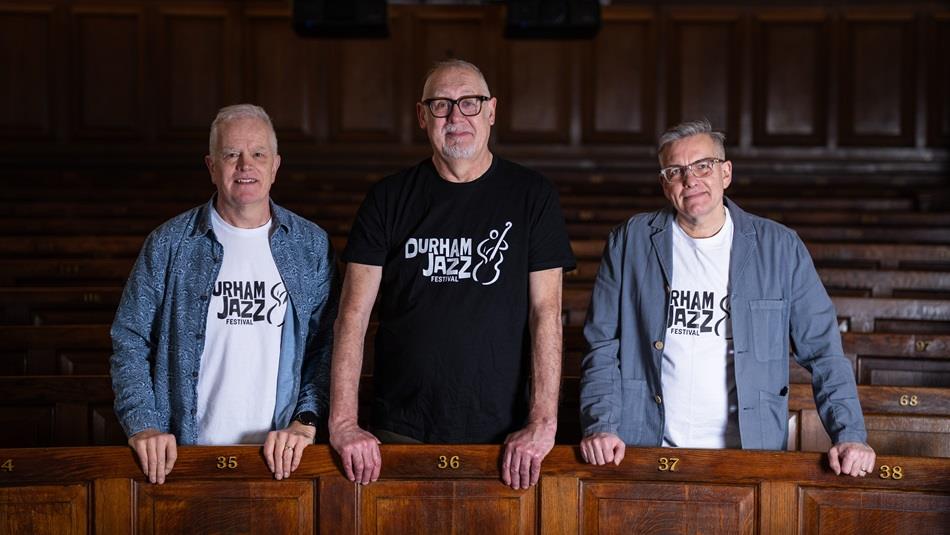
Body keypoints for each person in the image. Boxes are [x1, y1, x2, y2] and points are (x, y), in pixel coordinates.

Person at [328, 59, 576, 490]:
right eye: (441, 105)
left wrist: (542, 421)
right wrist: (344, 422)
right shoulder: (387, 198)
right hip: (399, 430)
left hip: (503, 439)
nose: (456, 116)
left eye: (470, 103)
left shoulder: (532, 196)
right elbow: (353, 314)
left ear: (492, 111)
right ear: (422, 116)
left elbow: (546, 312)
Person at [579, 119, 875, 477]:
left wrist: (849, 434)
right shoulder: (630, 241)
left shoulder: (780, 247)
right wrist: (600, 424)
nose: (691, 180)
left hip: (748, 452)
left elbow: (824, 351)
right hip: (644, 447)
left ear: (726, 173)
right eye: (676, 171)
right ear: (664, 183)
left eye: (703, 166)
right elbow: (603, 344)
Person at [111, 104, 338, 484]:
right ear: (212, 166)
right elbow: (129, 338)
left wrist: (305, 423)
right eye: (231, 154)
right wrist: (143, 426)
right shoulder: (169, 243)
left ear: (275, 165)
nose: (245, 165)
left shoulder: (310, 245)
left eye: (258, 154)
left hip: (282, 459)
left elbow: (325, 346)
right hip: (181, 457)